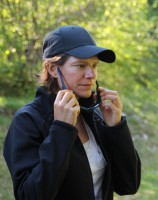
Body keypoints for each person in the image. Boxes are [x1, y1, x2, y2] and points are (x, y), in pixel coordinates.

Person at [3, 25, 141, 200]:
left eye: (94, 65)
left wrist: (116, 128)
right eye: (81, 65)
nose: (91, 74)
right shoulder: (28, 120)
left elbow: (128, 185)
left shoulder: (94, 115)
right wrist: (61, 130)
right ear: (53, 69)